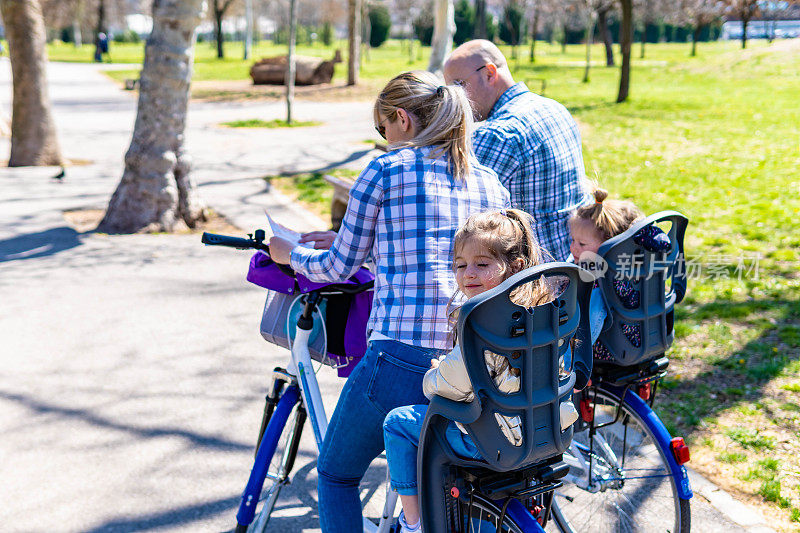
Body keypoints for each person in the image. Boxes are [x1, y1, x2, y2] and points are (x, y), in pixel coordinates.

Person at [267, 71, 511, 532]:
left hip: (400, 357)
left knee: (337, 475)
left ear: (401, 119)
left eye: (382, 128)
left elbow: (337, 268)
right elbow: (443, 251)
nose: (384, 138)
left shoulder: (386, 169)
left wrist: (292, 254)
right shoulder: (490, 183)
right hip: (469, 359)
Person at [382, 209, 580, 533]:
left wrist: (435, 374)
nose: (468, 274)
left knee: (399, 423)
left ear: (514, 267)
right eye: (460, 265)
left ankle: (413, 523)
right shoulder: (543, 311)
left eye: (482, 264)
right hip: (545, 432)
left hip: (493, 438)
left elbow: (445, 385)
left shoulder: (483, 319)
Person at [443, 39, 588, 262]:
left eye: (459, 85)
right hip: (572, 262)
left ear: (490, 73)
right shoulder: (555, 108)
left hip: (531, 278)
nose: (455, 99)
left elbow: (457, 217)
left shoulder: (498, 134)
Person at [568, 187, 671, 359]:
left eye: (582, 244)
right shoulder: (593, 266)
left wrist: (641, 233)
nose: (573, 248)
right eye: (572, 240)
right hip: (640, 338)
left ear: (610, 244)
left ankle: (576, 363)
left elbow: (661, 242)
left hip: (618, 343)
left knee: (593, 297)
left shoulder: (612, 277)